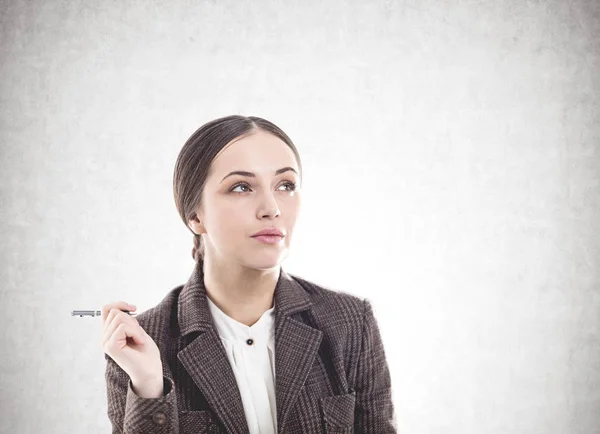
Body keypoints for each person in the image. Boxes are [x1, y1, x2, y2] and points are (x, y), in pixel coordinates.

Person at [100, 115, 397, 433]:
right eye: (241, 187)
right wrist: (149, 387)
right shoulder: (143, 343)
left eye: (286, 185)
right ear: (195, 216)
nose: (272, 208)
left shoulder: (350, 322)